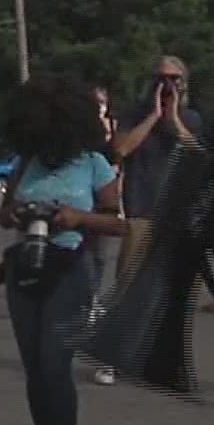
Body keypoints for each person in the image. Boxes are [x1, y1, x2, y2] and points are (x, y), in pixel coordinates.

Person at [0, 75, 126, 425]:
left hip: (71, 267)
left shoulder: (94, 163)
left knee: (55, 365)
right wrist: (17, 214)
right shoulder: (27, 161)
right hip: (25, 266)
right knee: (35, 366)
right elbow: (4, 212)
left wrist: (78, 219)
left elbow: (118, 222)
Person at [111, 57, 206, 292]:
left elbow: (198, 155)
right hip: (141, 209)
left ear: (184, 83)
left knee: (170, 289)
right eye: (161, 78)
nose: (167, 84)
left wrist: (173, 118)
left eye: (174, 78)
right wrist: (154, 115)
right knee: (128, 284)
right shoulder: (135, 114)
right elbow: (121, 149)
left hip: (177, 212)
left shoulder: (191, 118)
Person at [88, 85, 121, 388]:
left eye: (102, 102)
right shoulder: (82, 128)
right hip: (84, 203)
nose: (99, 106)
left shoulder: (113, 127)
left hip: (107, 204)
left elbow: (116, 157)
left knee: (99, 258)